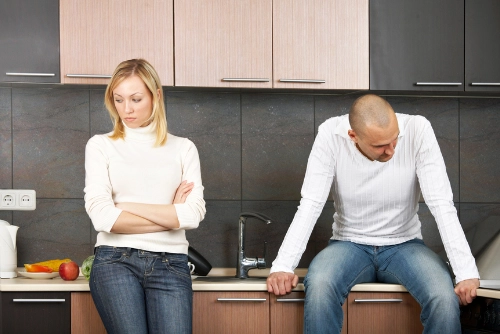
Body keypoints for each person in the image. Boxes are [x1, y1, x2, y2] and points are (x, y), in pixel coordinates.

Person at [267, 94, 480, 333]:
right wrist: (283, 265)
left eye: (394, 140)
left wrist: (466, 273)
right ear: (353, 136)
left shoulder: (418, 129)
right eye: (380, 146)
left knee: (443, 296)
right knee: (319, 285)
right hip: (348, 245)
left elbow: (441, 203)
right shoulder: (330, 134)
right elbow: (311, 203)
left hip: (405, 245)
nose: (391, 151)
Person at [84, 58, 205, 334]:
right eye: (118, 99)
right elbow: (104, 219)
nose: (126, 109)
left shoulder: (183, 149)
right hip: (115, 262)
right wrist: (171, 214)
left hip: (171, 263)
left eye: (136, 99)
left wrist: (126, 207)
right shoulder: (101, 146)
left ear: (156, 95)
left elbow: (193, 214)